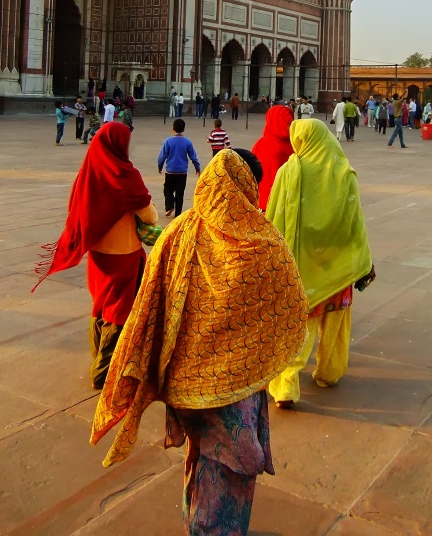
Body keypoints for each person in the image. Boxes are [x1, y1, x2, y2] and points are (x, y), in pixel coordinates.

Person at [90, 149, 308, 535]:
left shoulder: (178, 231)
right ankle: (213, 529)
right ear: (246, 188)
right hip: (235, 386)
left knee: (201, 452)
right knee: (228, 467)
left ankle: (197, 522)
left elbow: (150, 303)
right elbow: (292, 302)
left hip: (185, 383)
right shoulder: (262, 242)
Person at [34, 121, 158, 389]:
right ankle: (103, 370)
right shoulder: (126, 175)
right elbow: (148, 214)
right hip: (124, 253)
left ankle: (98, 354)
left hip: (98, 253)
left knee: (101, 303)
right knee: (119, 309)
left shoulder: (87, 173)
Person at [266, 119, 375, 408]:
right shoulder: (344, 173)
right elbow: (356, 224)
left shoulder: (289, 171)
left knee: (300, 327)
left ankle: (287, 385)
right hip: (337, 266)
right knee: (335, 324)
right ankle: (329, 372)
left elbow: (274, 218)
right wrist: (364, 260)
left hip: (302, 268)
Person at [251, 104, 295, 211]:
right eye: (288, 124)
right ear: (279, 123)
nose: (291, 128)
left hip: (260, 201)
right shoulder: (284, 147)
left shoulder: (260, 143)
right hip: (277, 204)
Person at [158, 118, 201, 217]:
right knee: (180, 192)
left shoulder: (168, 141)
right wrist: (197, 167)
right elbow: (193, 156)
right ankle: (178, 214)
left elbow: (162, 156)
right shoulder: (187, 142)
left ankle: (169, 206)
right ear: (184, 129)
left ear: (173, 128)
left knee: (168, 189)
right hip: (182, 172)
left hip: (171, 171)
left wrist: (160, 166)